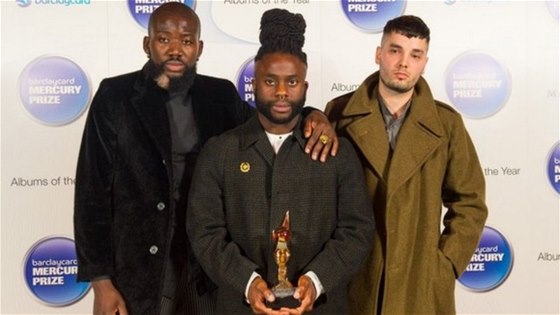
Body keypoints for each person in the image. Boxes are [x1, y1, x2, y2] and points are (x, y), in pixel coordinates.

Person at [73, 3, 338, 315]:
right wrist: (101, 283)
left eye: (186, 41)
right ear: (147, 44)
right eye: (164, 40)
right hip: (137, 270)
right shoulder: (114, 96)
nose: (175, 50)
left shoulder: (220, 95)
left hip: (207, 268)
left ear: (198, 48)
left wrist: (313, 114)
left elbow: (271, 121)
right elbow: (92, 194)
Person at [186, 8, 374, 315]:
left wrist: (316, 280)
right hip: (238, 306)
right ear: (254, 84)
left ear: (306, 87)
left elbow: (357, 231)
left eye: (293, 81)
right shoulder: (219, 152)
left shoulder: (338, 153)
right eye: (270, 81)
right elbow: (204, 231)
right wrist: (247, 282)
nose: (282, 92)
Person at [325, 15, 488, 315]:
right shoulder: (338, 114)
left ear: (425, 62)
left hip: (420, 286)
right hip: (356, 280)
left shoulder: (446, 124)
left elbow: (470, 202)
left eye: (415, 55)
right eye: (395, 50)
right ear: (379, 54)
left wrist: (445, 264)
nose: (404, 63)